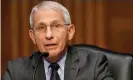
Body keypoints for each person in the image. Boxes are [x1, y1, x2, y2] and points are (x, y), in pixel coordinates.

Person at [3, 1, 113, 80]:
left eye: (56, 26)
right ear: (32, 36)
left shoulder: (93, 65)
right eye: (41, 28)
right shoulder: (16, 71)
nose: (49, 35)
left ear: (70, 32)